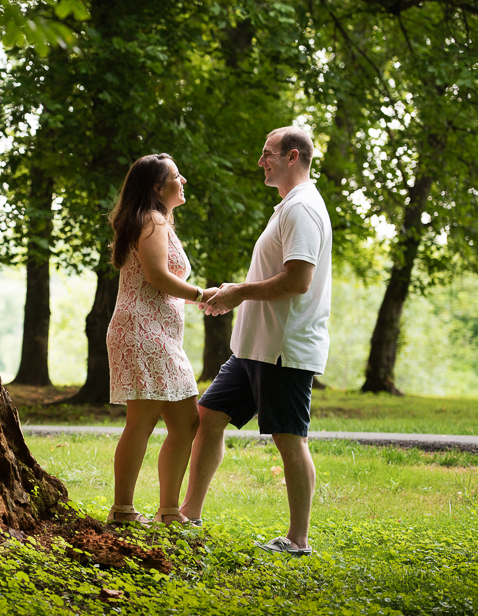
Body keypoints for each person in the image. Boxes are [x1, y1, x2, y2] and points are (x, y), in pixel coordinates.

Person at [180, 126, 332, 556]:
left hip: (283, 349)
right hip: (252, 347)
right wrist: (233, 291)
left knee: (289, 438)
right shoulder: (287, 206)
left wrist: (239, 292)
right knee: (208, 416)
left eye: (268, 154)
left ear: (293, 156)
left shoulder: (302, 209)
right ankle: (190, 513)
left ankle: (297, 540)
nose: (260, 161)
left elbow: (298, 281)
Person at [105, 153, 217, 526]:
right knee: (142, 421)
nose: (182, 180)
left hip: (158, 334)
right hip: (142, 332)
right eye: (175, 176)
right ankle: (123, 509)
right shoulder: (151, 221)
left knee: (186, 421)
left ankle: (169, 511)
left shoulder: (156, 222)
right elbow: (156, 275)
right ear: (157, 187)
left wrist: (196, 296)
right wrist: (201, 294)